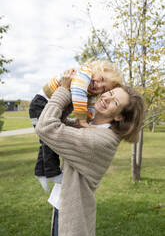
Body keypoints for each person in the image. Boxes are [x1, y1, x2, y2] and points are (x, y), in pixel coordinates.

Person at [35, 70, 144, 236]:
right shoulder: (92, 127)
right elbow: (61, 123)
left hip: (72, 216)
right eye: (110, 92)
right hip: (63, 204)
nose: (106, 98)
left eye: (114, 102)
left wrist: (63, 90)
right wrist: (77, 92)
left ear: (119, 116)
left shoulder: (99, 140)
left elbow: (47, 127)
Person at [29, 60, 122, 192]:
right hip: (42, 103)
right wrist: (82, 120)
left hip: (47, 105)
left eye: (104, 88)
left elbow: (88, 105)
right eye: (101, 79)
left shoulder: (89, 92)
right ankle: (52, 173)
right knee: (50, 138)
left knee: (45, 141)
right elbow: (78, 94)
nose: (99, 86)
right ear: (96, 70)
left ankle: (40, 172)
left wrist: (89, 120)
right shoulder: (84, 75)